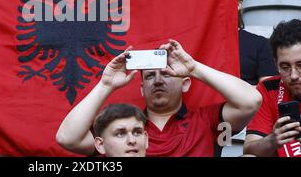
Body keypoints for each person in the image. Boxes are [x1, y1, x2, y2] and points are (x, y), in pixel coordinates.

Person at [56, 40, 262, 156]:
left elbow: (251, 100)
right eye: (149, 76)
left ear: (186, 83)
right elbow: (67, 138)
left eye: (166, 73)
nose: (157, 80)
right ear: (142, 89)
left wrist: (194, 68)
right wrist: (105, 85)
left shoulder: (206, 121)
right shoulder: (124, 130)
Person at [244, 19, 301, 157]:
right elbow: (249, 150)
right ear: (276, 64)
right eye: (285, 67)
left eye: (300, 65)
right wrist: (272, 140)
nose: (293, 75)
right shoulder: (268, 88)